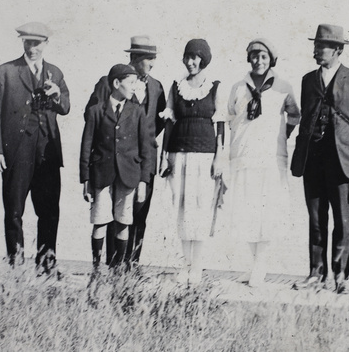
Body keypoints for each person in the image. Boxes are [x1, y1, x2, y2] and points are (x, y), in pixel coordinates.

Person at [0, 22, 70, 274]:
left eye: (37, 43)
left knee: (50, 211)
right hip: (16, 151)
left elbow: (65, 107)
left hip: (47, 153)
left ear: (46, 44)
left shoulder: (55, 72)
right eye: (28, 43)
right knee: (13, 210)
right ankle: (16, 266)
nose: (32, 48)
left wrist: (56, 95)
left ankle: (46, 265)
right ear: (22, 42)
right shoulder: (6, 71)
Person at [291, 24, 349, 294]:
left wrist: (348, 148)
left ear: (338, 50)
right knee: (316, 217)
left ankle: (340, 276)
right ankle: (316, 273)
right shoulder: (307, 80)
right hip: (312, 157)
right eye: (315, 44)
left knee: (342, 218)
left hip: (341, 160)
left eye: (322, 45)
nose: (316, 50)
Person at [84, 35, 166, 269]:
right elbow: (92, 117)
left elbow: (156, 123)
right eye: (148, 59)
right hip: (112, 162)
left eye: (154, 59)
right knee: (112, 214)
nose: (152, 64)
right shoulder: (107, 82)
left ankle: (132, 266)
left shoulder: (156, 86)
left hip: (142, 161)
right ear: (134, 58)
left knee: (138, 215)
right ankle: (112, 265)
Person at [227, 39, 301, 287]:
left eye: (264, 57)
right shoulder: (238, 87)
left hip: (270, 158)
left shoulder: (283, 87)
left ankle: (261, 266)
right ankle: (253, 264)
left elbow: (295, 115)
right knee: (247, 213)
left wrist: (283, 134)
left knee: (267, 213)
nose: (259, 61)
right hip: (244, 157)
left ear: (271, 60)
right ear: (249, 59)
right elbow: (229, 116)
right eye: (255, 56)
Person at [159, 39, 225, 285]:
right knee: (182, 209)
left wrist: (219, 157)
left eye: (195, 57)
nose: (190, 62)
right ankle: (185, 265)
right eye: (187, 57)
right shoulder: (176, 87)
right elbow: (168, 123)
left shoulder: (215, 87)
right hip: (179, 155)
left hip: (205, 157)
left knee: (199, 211)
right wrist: (165, 156)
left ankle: (196, 267)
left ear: (203, 59)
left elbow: (220, 124)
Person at [80, 64, 149, 271]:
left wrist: (144, 181)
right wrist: (85, 179)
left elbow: (145, 148)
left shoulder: (137, 112)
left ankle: (118, 266)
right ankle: (96, 266)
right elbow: (86, 146)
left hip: (128, 175)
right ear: (116, 84)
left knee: (123, 221)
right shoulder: (96, 111)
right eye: (131, 83)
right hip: (102, 175)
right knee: (100, 221)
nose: (134, 88)